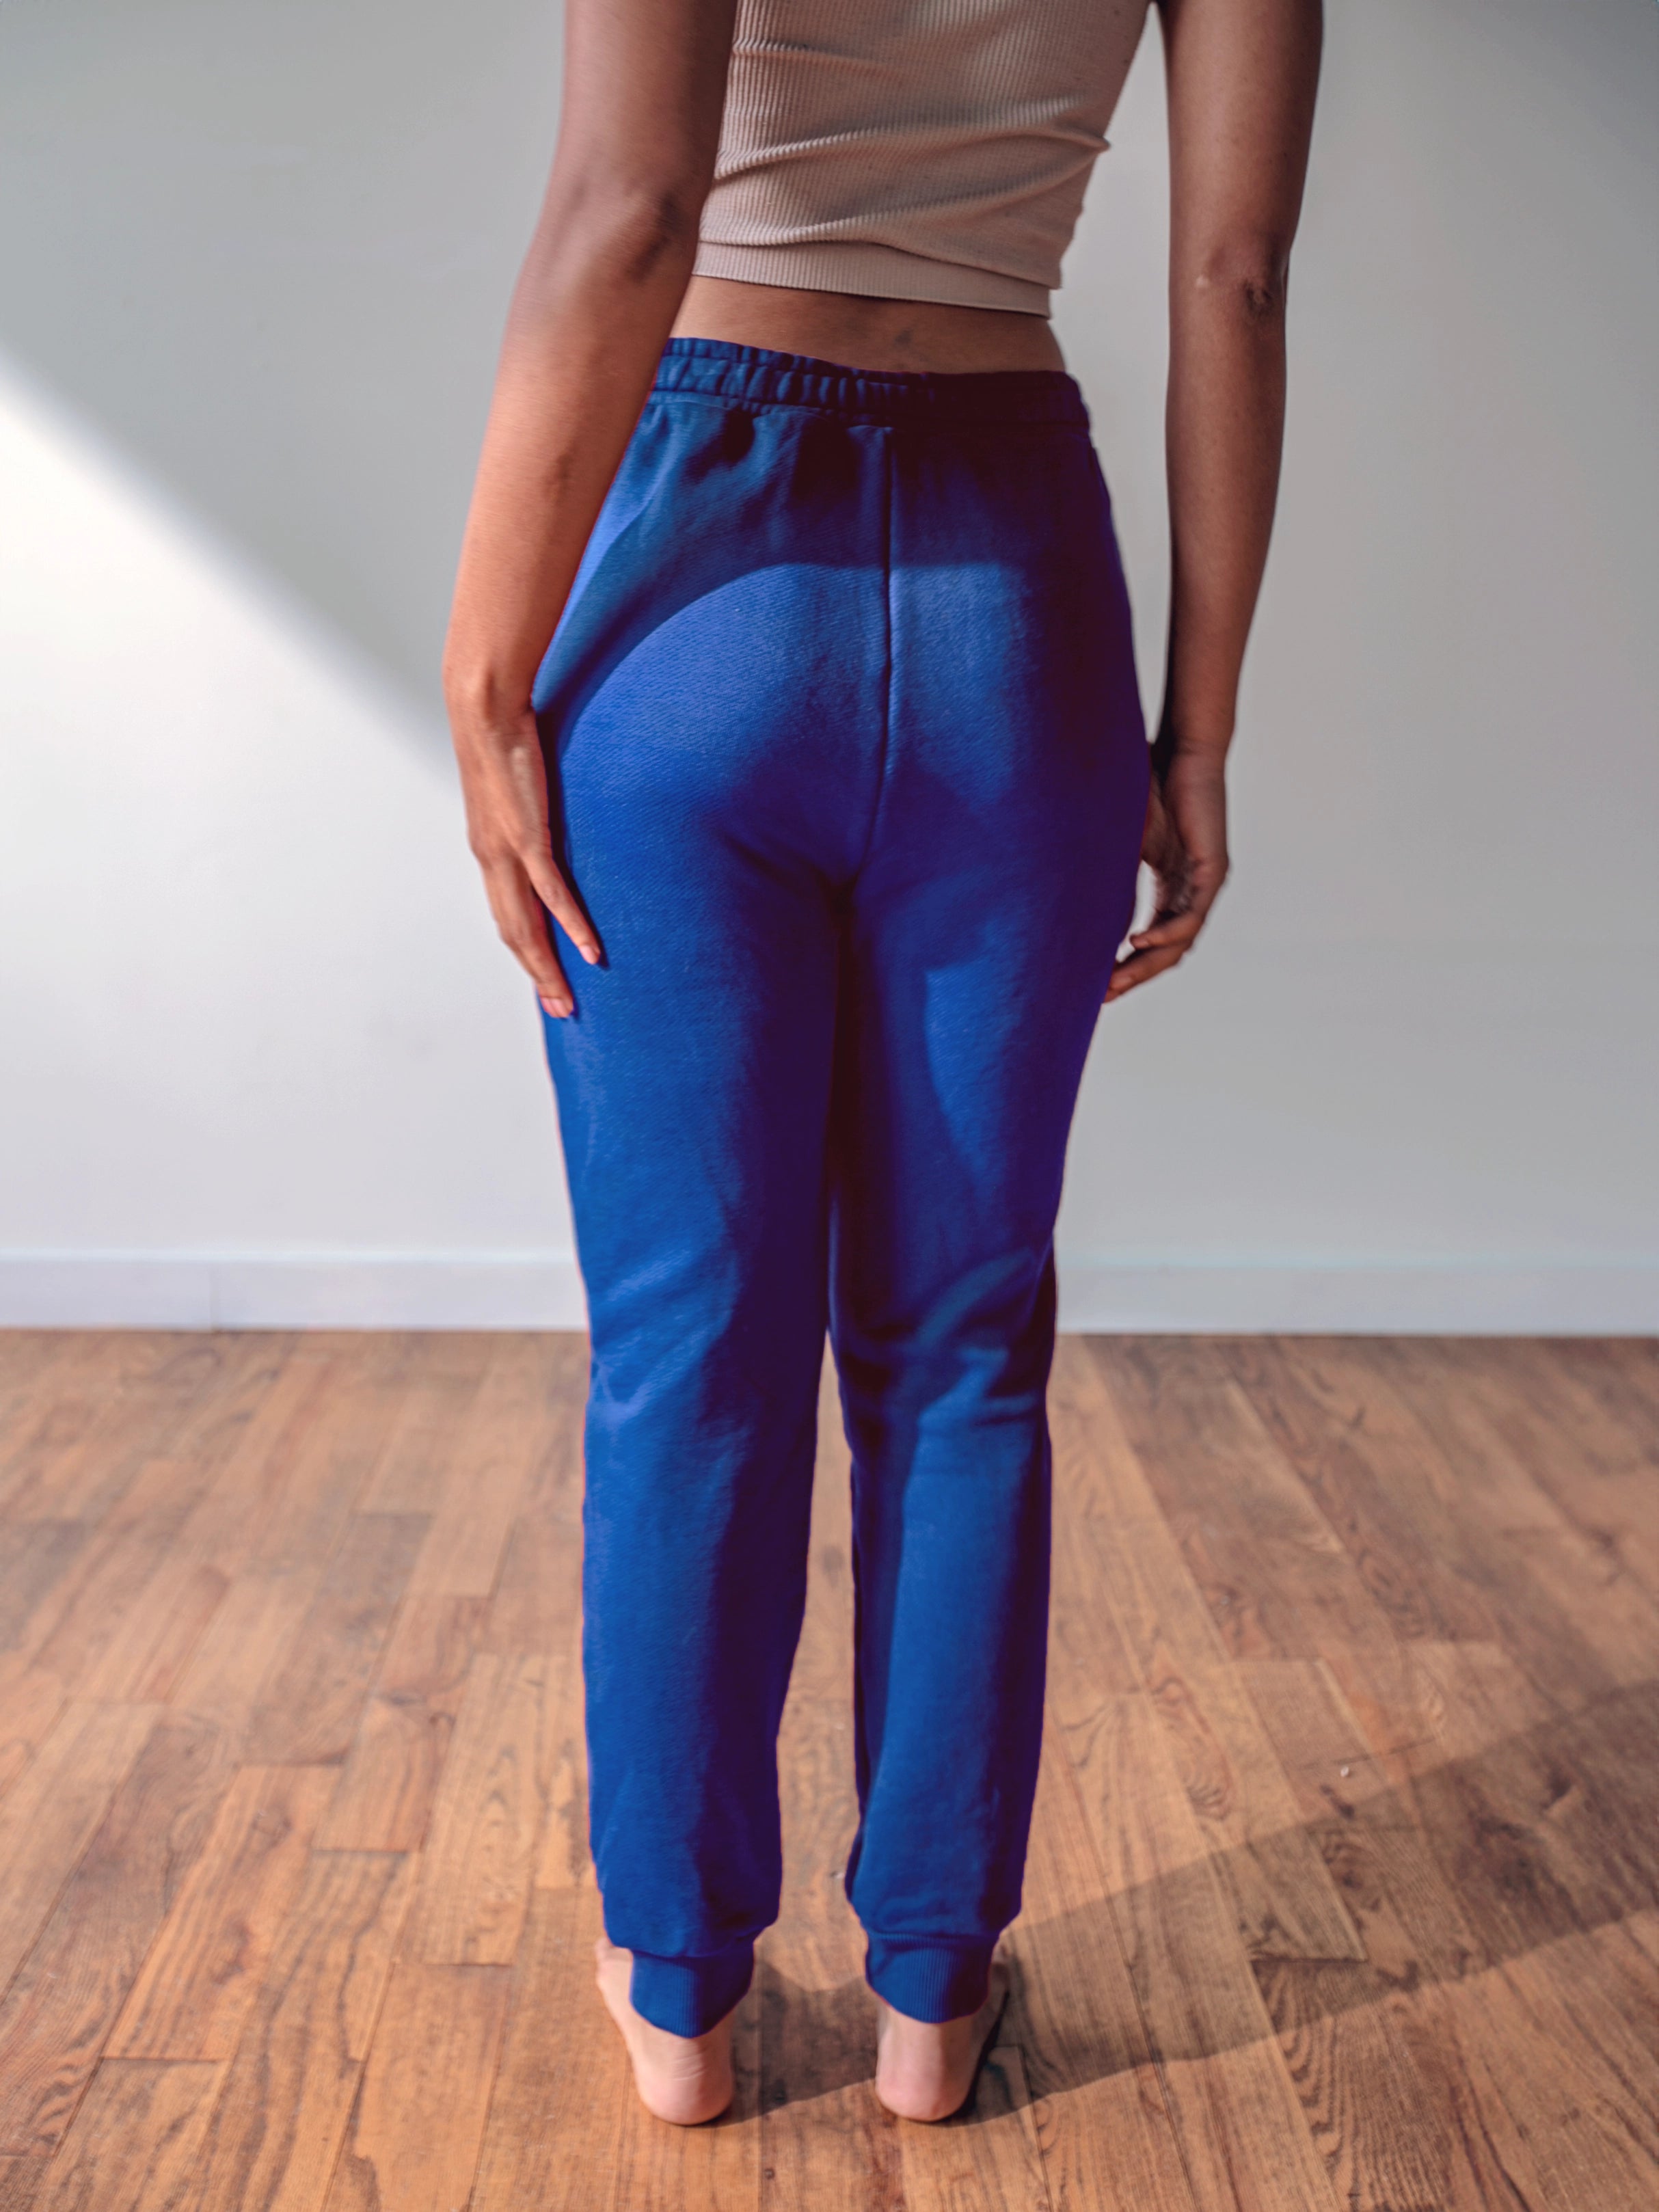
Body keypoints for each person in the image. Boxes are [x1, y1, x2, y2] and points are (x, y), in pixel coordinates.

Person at [443, 0, 1321, 2129]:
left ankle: (681, 1993)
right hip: (1015, 573)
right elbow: (1230, 273)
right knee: (956, 1344)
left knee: (688, 1344)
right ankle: (932, 1994)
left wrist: (479, 673)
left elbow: (633, 207)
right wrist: (1195, 717)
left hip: (694, 578)